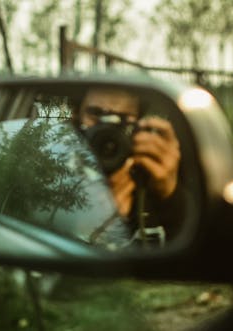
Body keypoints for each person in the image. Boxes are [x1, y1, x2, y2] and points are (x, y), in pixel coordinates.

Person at [76, 87, 184, 246]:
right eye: (95, 114)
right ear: (76, 118)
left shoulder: (152, 173)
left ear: (140, 126)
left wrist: (170, 194)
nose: (106, 130)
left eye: (123, 119)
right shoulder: (57, 169)